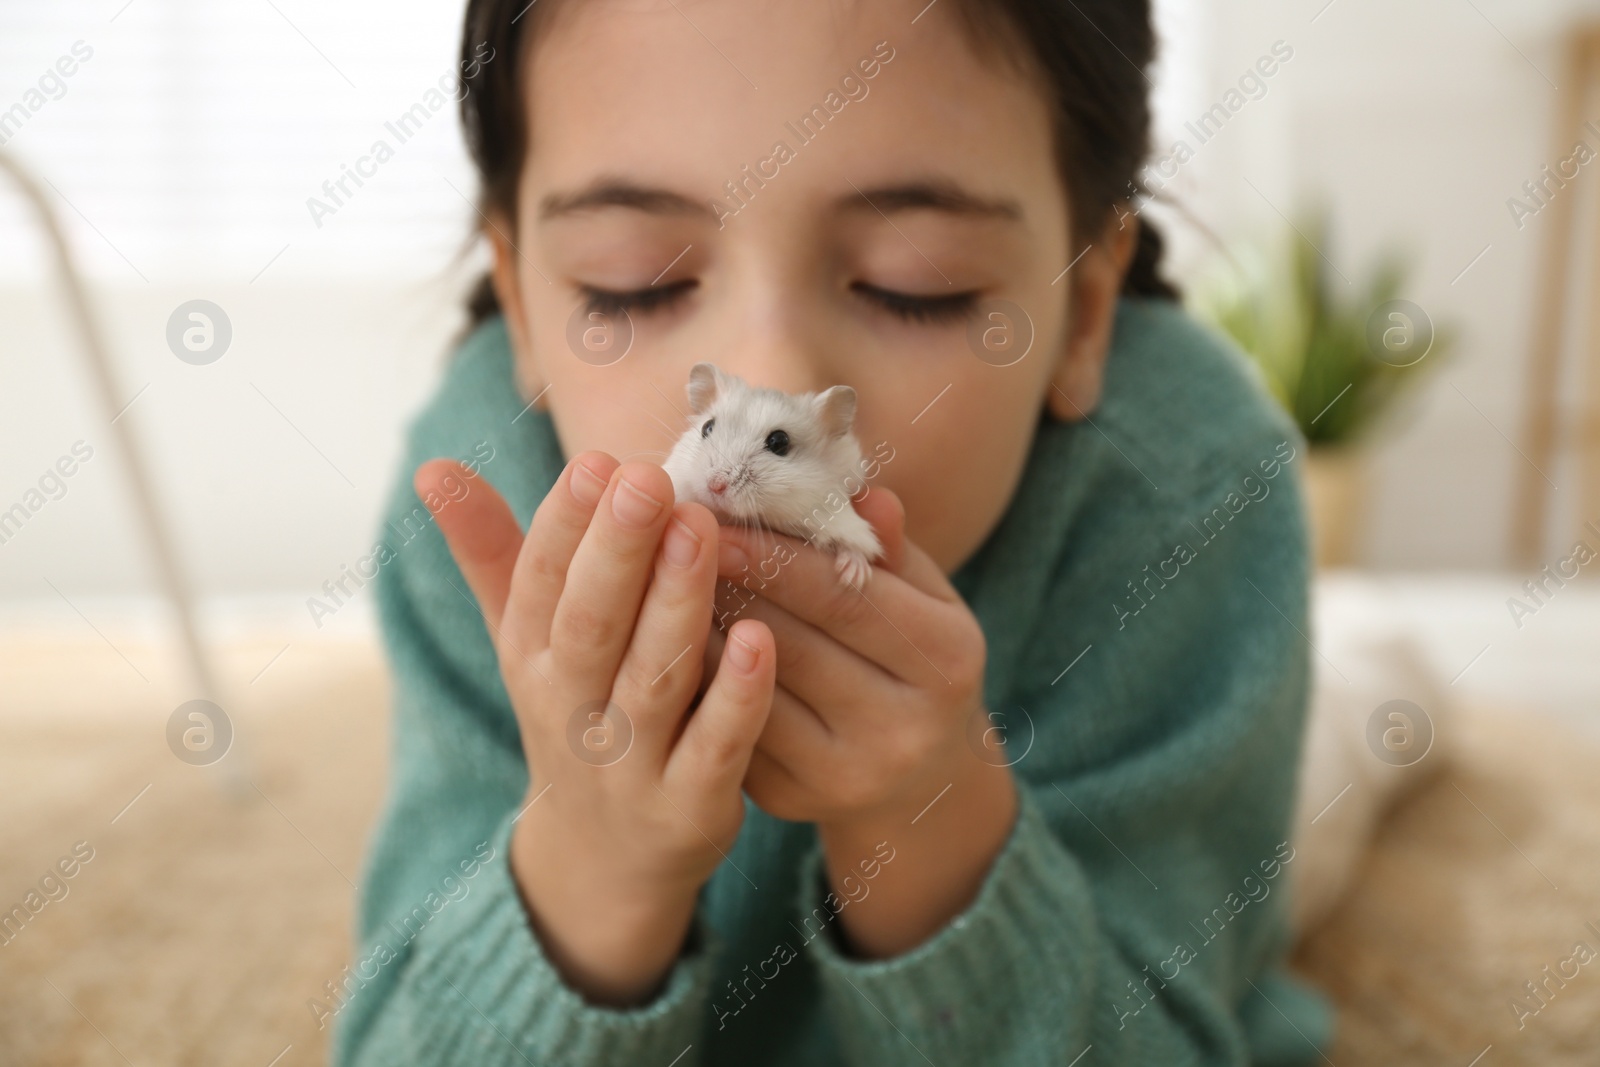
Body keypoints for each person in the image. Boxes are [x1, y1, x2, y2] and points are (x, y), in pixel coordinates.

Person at [334, 0, 1337, 1063]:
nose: (776, 372)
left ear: (1083, 306)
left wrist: (929, 830)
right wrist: (590, 869)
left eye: (916, 285)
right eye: (639, 282)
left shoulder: (1186, 493)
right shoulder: (482, 499)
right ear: (524, 304)